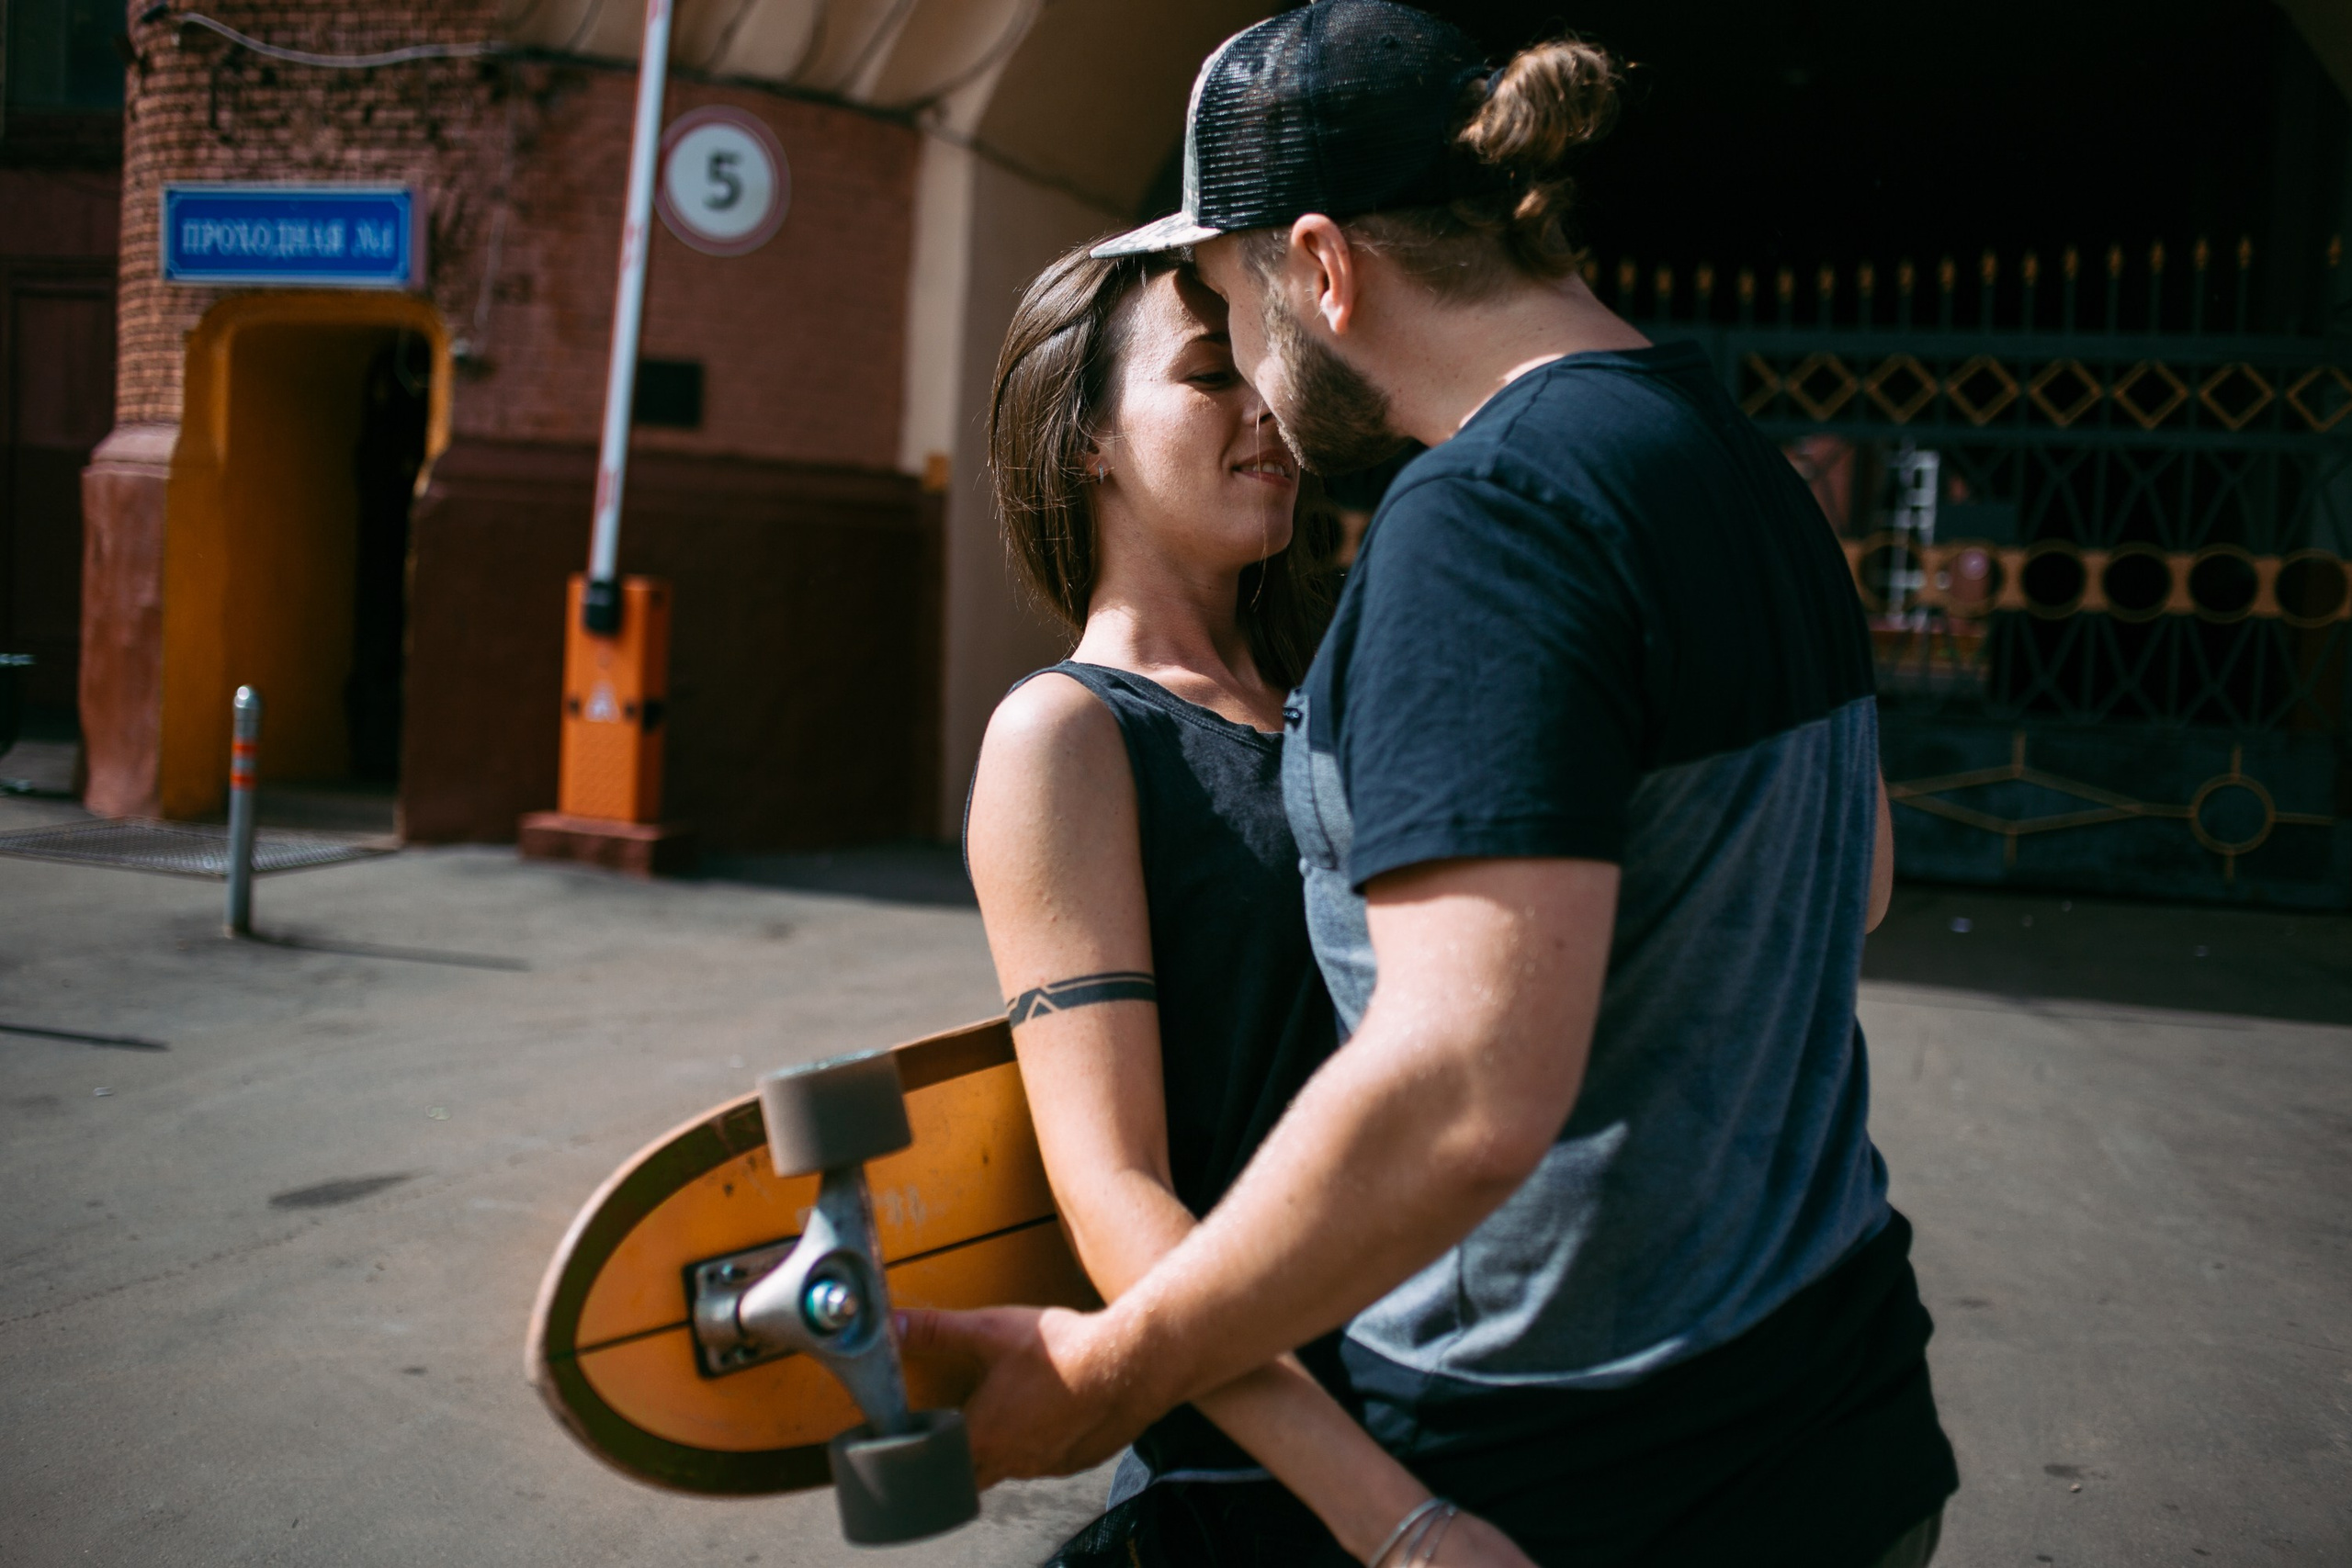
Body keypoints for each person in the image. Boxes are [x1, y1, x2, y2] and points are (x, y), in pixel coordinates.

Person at [905, 6, 1960, 1566]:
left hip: (1574, 1473)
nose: (1262, 383)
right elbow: (1848, 884)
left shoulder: (1483, 518)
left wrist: (1105, 1382)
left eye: (1235, 308)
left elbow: (1465, 1091)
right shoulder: (1737, 465)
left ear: (1324, 270)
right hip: (1844, 1427)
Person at [964, 243, 1535, 1566]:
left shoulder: (1339, 688)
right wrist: (1388, 1517)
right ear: (1087, 435)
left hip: (1477, 1403)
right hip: (1275, 1483)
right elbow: (1118, 1191)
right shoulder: (1065, 737)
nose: (1270, 407)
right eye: (1213, 374)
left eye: (1270, 368)